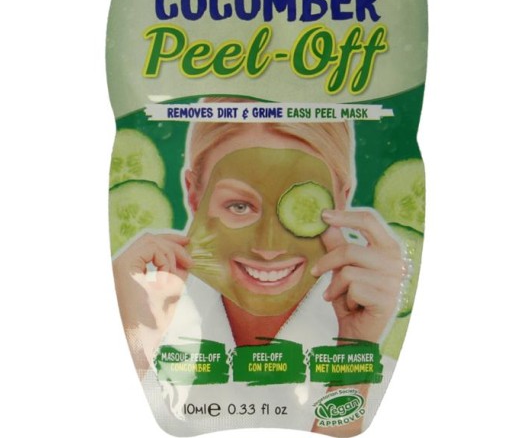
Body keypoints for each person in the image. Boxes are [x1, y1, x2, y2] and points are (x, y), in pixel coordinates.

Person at [113, 106, 403, 435]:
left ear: (343, 199)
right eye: (239, 206)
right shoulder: (147, 323)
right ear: (194, 194)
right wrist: (134, 340)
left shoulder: (385, 367)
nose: (268, 247)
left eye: (303, 208)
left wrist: (355, 347)